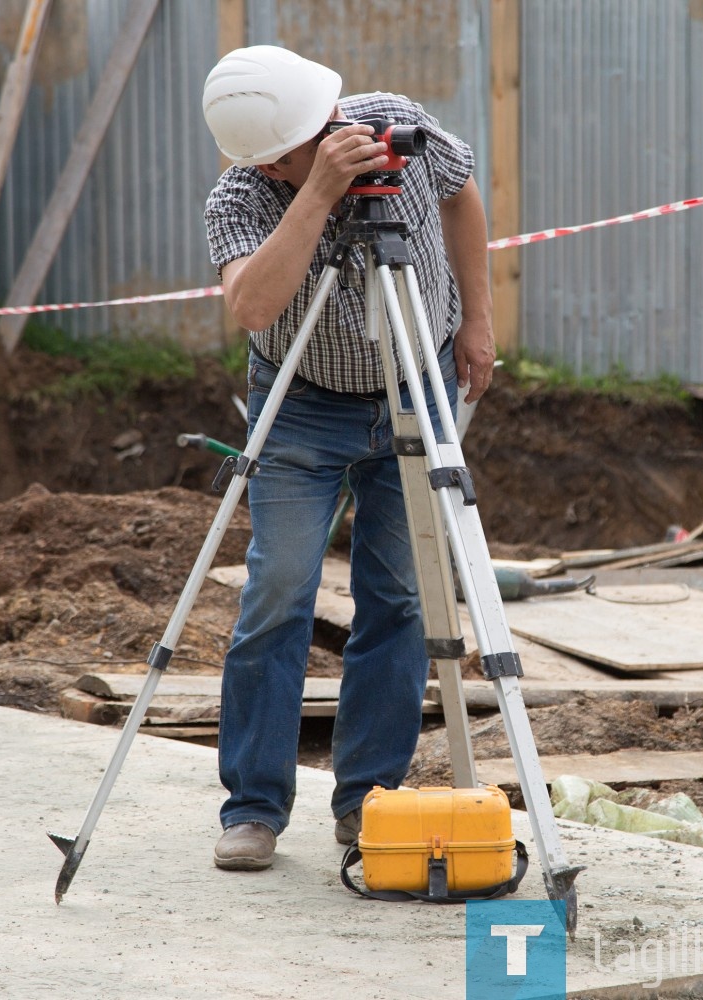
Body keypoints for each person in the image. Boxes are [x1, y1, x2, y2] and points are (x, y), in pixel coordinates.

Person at [201, 44, 495, 871]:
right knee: (279, 593)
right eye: (308, 145)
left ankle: (368, 797)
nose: (334, 141)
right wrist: (320, 197)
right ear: (270, 160)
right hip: (302, 407)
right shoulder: (241, 197)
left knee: (399, 595)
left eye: (329, 125)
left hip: (418, 379)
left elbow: (461, 195)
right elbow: (252, 304)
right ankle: (254, 807)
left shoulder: (395, 124)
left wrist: (477, 319)